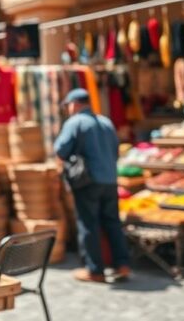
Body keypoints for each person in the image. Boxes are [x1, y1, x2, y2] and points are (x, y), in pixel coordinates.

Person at [54, 88, 131, 283]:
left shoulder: (75, 122)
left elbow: (61, 150)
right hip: (110, 179)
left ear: (75, 104)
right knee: (112, 222)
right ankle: (122, 264)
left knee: (89, 224)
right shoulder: (106, 122)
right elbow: (115, 150)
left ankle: (94, 270)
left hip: (88, 181)